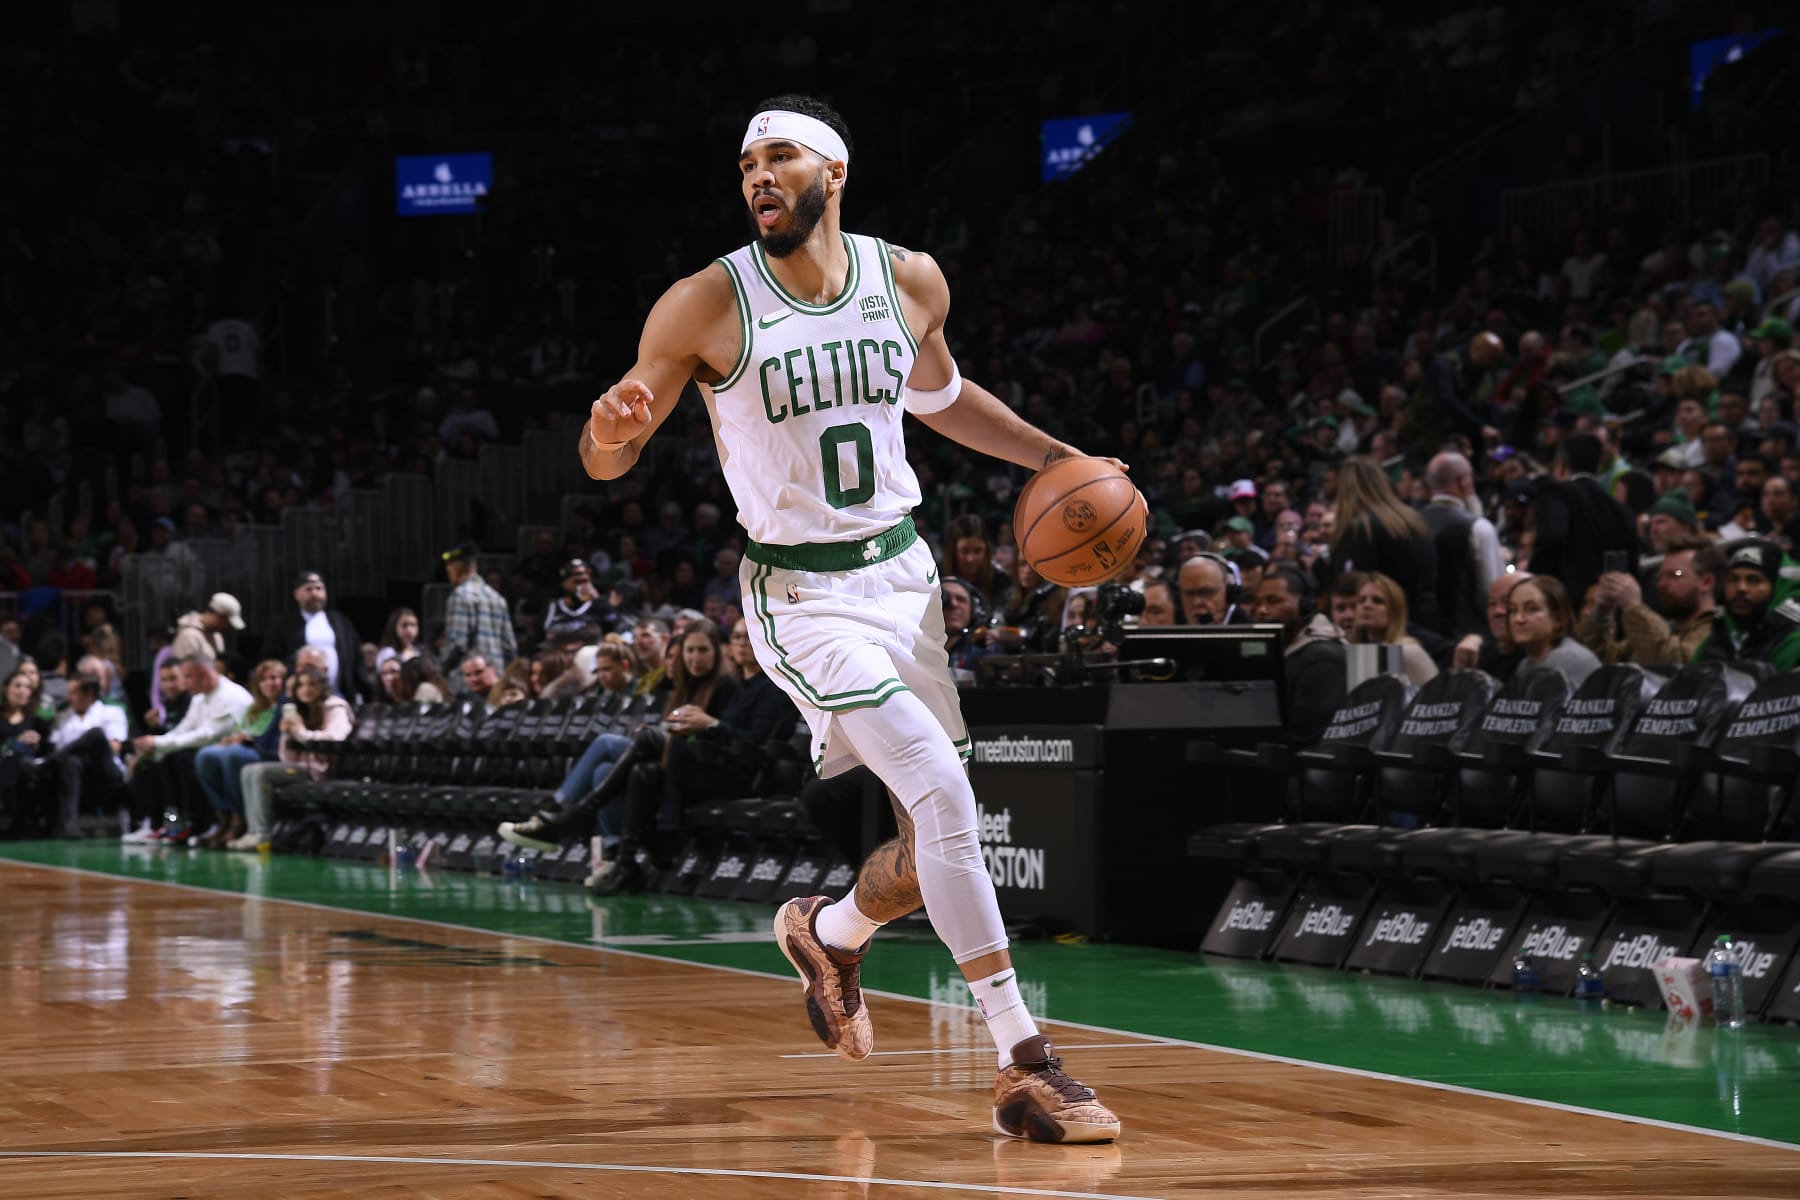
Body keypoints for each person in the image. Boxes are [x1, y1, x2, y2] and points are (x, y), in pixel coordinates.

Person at [572, 95, 1118, 1141]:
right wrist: (611, 433)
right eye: (745, 165)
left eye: (777, 157)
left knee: (930, 840)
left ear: (833, 168)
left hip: (901, 581)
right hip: (800, 595)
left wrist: (1055, 458)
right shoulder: (704, 302)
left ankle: (827, 931)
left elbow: (941, 399)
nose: (757, 177)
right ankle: (1024, 1064)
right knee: (950, 795)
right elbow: (612, 450)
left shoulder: (907, 278)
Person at [126, 654, 252, 843]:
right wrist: (155, 745)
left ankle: (198, 824)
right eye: (164, 680)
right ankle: (163, 824)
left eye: (184, 677)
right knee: (155, 761)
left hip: (223, 752)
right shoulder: (195, 698)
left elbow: (208, 734)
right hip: (198, 750)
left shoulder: (229, 695)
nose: (181, 683)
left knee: (181, 759)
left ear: (203, 674)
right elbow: (184, 728)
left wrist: (160, 743)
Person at [230, 665, 353, 850]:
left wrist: (300, 732)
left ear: (322, 686)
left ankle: (263, 833)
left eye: (311, 684)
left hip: (324, 769)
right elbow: (285, 757)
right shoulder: (298, 709)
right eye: (301, 685)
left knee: (261, 772)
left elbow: (335, 739)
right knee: (249, 770)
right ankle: (253, 831)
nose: (306, 689)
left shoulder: (335, 707)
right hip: (301, 768)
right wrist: (286, 735)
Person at [1326, 456, 1443, 634]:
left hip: (1389, 632)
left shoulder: (1361, 529)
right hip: (1427, 623)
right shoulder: (1412, 520)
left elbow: (1350, 589)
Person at [1577, 539, 1720, 666]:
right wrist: (1601, 614)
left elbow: (1677, 665)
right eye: (1659, 577)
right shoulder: (1665, 627)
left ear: (1706, 582)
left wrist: (1633, 606)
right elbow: (1604, 664)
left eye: (1675, 574)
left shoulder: (1719, 631)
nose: (1661, 584)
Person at [192, 659, 286, 848]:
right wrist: (233, 739)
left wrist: (246, 741)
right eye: (264, 679)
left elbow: (271, 741)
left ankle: (239, 817)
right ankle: (223, 816)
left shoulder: (286, 706)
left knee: (233, 754)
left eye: (274, 678)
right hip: (247, 749)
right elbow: (240, 731)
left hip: (269, 754)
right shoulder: (254, 709)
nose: (270, 683)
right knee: (207, 755)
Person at [1249, 565, 1346, 744]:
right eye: (1257, 603)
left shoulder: (1323, 658)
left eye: (1273, 601)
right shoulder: (1275, 648)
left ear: (1306, 605)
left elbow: (1305, 737)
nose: (1261, 610)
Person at [1423, 452, 1502, 638]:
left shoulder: (1408, 524)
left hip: (1423, 634)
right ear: (1464, 482)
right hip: (1468, 637)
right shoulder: (1478, 528)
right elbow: (1491, 593)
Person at [263, 570, 373, 703]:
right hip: (300, 698)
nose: (314, 593)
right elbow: (273, 661)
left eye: (319, 588)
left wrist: (368, 692)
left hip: (339, 694)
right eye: (308, 589)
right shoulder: (284, 625)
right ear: (297, 594)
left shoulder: (341, 622)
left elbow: (357, 660)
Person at [1693, 539, 1800, 670]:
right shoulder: (1717, 637)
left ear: (1776, 588)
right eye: (1733, 579)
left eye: (1754, 580)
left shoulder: (1794, 641)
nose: (1741, 588)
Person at [45, 673, 129, 837]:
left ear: (89, 694)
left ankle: (46, 763)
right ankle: (69, 826)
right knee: (71, 760)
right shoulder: (62, 717)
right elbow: (56, 746)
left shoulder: (111, 712)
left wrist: (82, 746)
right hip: (73, 775)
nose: (69, 698)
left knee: (96, 734)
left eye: (74, 693)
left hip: (105, 772)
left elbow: (114, 747)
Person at [1506, 575, 1601, 686]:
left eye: (1531, 609)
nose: (1518, 619)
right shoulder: (1525, 664)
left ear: (1558, 619)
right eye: (1513, 610)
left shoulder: (1568, 659)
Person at [1350, 572, 1439, 687]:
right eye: (1361, 600)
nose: (1366, 605)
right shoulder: (1360, 652)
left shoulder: (1404, 651)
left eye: (1377, 601)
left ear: (1395, 610)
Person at [441, 543, 519, 669]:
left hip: (468, 680)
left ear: (457, 566)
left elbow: (457, 645)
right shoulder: (497, 598)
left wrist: (439, 669)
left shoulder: (460, 595)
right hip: (495, 677)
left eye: (448, 566)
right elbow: (510, 647)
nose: (447, 571)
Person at [171, 592, 247, 664]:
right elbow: (183, 671)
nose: (227, 628)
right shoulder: (189, 636)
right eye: (227, 623)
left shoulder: (217, 636)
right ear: (219, 617)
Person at [544, 559, 603, 644]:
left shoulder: (600, 607)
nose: (582, 586)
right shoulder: (552, 609)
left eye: (585, 581)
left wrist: (599, 602)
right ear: (564, 583)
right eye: (577, 581)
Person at [375, 607, 424, 671]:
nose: (409, 630)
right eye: (404, 625)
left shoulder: (419, 652)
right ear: (394, 627)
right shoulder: (388, 653)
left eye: (413, 625)